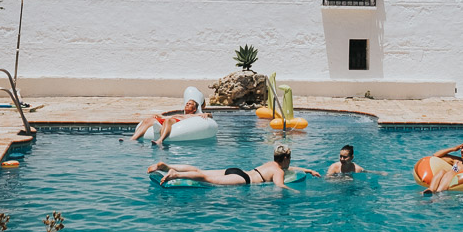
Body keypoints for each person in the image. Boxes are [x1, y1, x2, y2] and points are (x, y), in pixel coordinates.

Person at [148, 143, 320, 187]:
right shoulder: (278, 172)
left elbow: (291, 168)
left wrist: (308, 170)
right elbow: (279, 186)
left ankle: (168, 166)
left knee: (201, 170)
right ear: (285, 158)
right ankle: (176, 175)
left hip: (238, 170)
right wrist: (294, 192)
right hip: (243, 179)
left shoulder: (272, 164)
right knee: (206, 179)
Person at [130, 86, 209, 146]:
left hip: (174, 122)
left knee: (168, 121)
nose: (187, 104)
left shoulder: (195, 115)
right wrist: (159, 116)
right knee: (148, 120)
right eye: (187, 103)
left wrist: (207, 114)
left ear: (195, 109)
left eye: (190, 104)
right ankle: (133, 138)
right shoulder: (180, 114)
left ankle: (160, 140)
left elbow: (209, 115)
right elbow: (166, 117)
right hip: (169, 119)